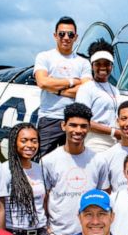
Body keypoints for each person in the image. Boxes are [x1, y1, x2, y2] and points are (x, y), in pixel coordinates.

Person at [0, 122, 51, 235]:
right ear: (14, 143)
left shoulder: (41, 169)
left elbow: (44, 202)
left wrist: (49, 231)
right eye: (24, 140)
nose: (30, 145)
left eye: (34, 141)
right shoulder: (4, 170)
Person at [40, 102, 106, 235]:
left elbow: (104, 197)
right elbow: (43, 200)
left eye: (83, 126)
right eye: (73, 125)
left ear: (89, 128)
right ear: (63, 126)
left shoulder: (99, 160)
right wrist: (49, 232)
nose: (78, 130)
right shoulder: (48, 161)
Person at [34, 16, 92, 158]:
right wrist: (72, 81)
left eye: (70, 34)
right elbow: (42, 82)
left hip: (74, 121)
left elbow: (86, 89)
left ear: (76, 37)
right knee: (43, 160)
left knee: (74, 160)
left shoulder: (83, 62)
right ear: (55, 35)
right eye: (62, 34)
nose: (66, 38)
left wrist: (56, 89)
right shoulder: (44, 57)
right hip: (49, 117)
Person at [76, 39, 120, 153]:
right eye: (98, 64)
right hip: (95, 142)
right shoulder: (86, 89)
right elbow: (82, 121)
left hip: (115, 143)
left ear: (112, 65)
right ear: (92, 66)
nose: (103, 67)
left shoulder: (115, 90)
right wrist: (113, 132)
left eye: (106, 64)